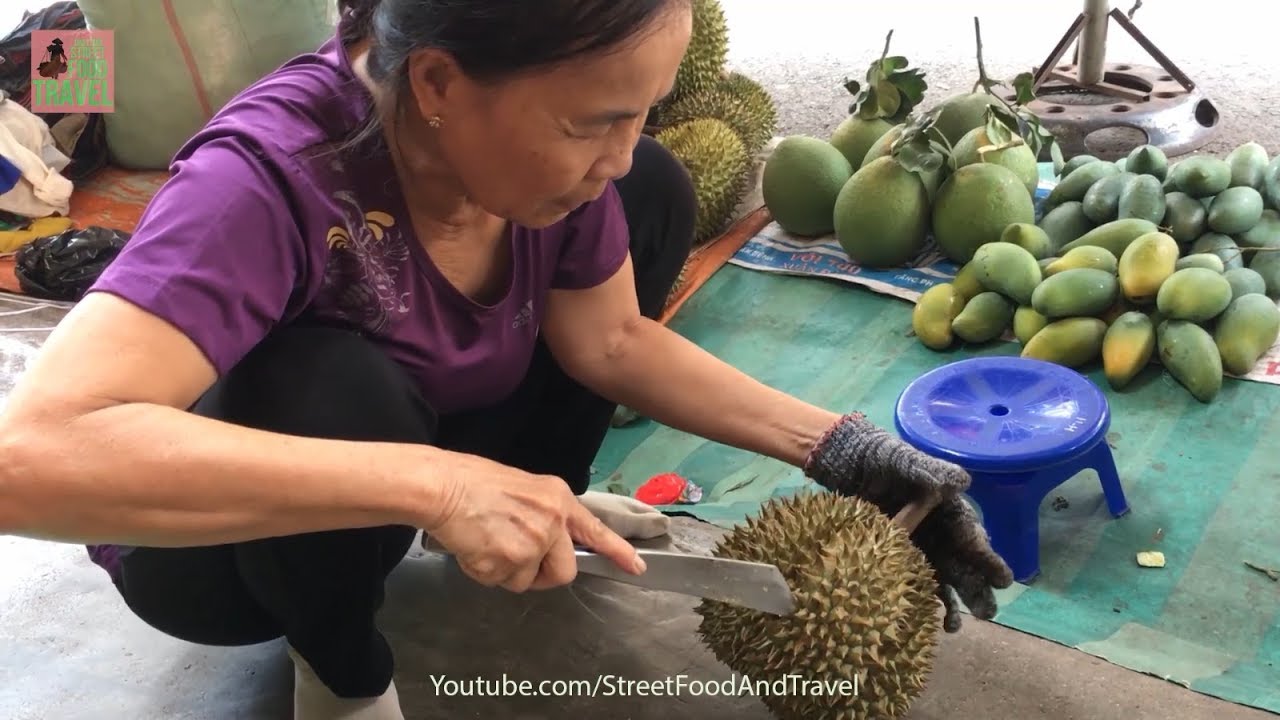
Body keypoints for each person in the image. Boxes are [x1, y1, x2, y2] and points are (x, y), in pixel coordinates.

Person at [0, 0, 1013, 717]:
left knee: (650, 189)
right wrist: (440, 488)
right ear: (438, 82)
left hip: (424, 441)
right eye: (593, 120)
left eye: (639, 108)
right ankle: (339, 668)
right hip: (225, 559)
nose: (615, 149)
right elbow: (29, 462)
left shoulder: (554, 170)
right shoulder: (264, 180)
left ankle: (533, 504)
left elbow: (610, 339)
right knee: (327, 377)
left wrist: (841, 448)